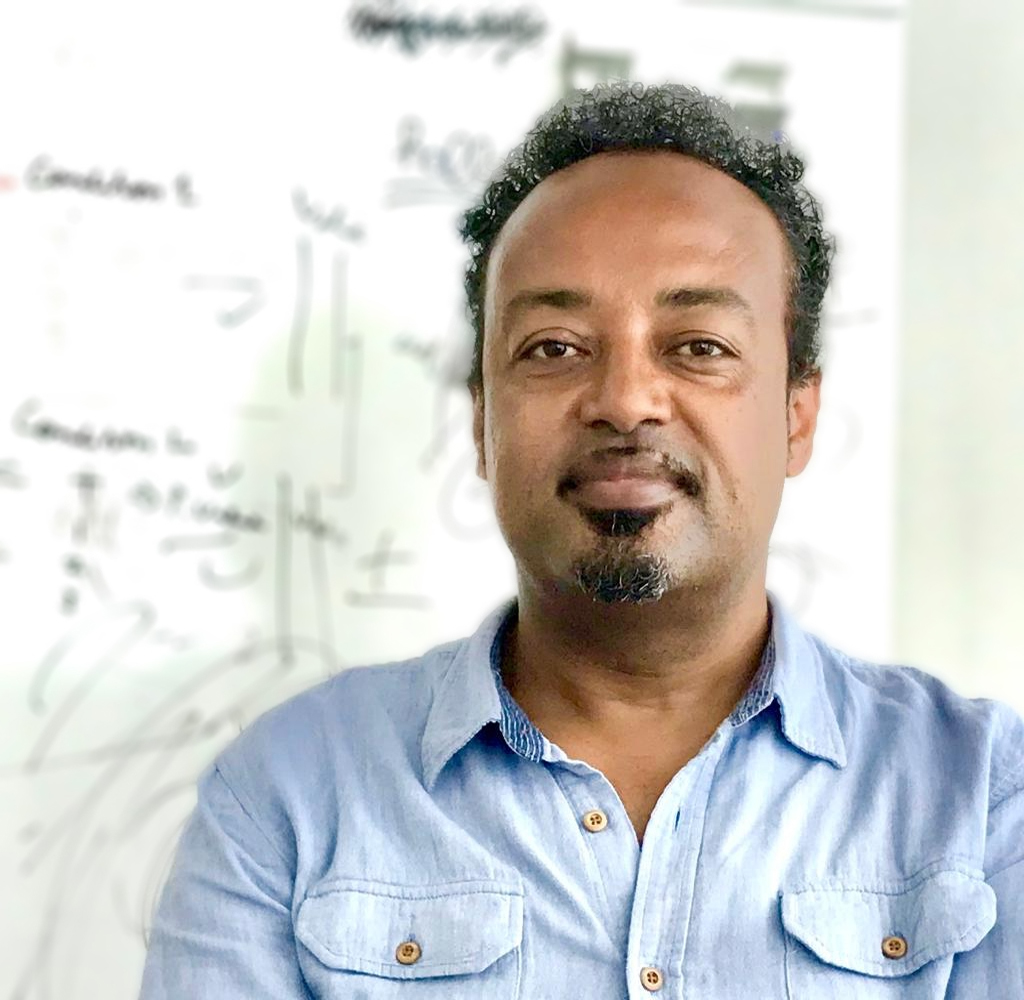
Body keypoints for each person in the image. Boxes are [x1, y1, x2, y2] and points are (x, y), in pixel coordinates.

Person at [139, 81, 1024, 998]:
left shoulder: (983, 799)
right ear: (482, 422)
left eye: (699, 346)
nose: (625, 400)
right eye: (554, 348)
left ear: (798, 416)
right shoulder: (285, 798)